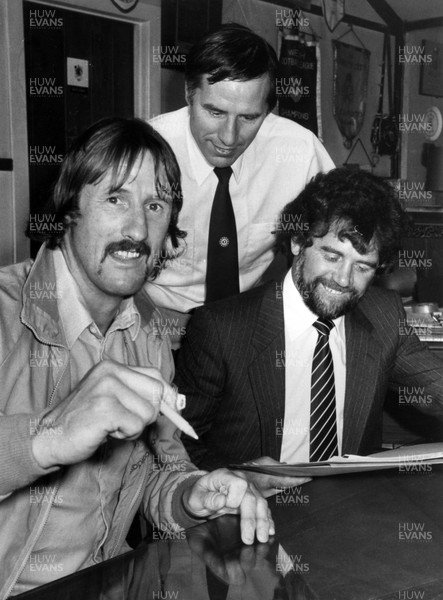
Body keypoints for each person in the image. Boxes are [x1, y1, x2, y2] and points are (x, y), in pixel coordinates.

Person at [0, 118, 273, 597]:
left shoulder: (148, 332)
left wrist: (193, 494)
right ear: (69, 211)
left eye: (155, 205)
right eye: (115, 198)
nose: (136, 227)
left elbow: (153, 473)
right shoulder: (5, 311)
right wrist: (49, 437)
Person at [175, 168, 443, 495]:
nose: (343, 280)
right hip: (247, 513)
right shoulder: (221, 328)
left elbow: (437, 388)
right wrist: (240, 479)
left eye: (362, 267)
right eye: (332, 256)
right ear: (298, 240)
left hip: (348, 513)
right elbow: (177, 444)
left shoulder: (383, 313)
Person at [146, 23, 334, 346]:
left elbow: (343, 231)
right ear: (189, 94)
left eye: (249, 118)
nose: (228, 137)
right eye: (215, 112)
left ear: (267, 110)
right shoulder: (146, 152)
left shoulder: (299, 151)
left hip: (245, 330)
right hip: (155, 328)